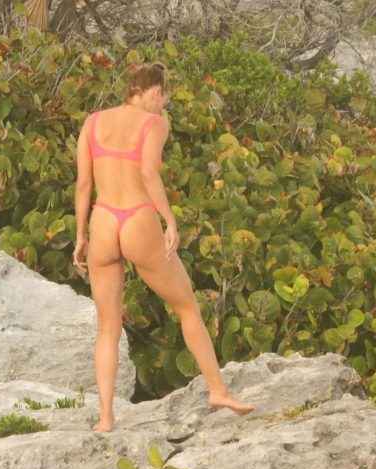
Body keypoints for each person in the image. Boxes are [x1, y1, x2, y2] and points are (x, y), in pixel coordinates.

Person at [72, 63, 254, 433]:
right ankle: (217, 391)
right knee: (186, 307)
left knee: (107, 327)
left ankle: (105, 418)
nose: (165, 103)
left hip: (102, 220)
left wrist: (80, 236)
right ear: (153, 92)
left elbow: (83, 184)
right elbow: (148, 173)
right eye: (163, 95)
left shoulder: (93, 122)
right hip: (137, 218)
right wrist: (169, 220)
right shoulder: (154, 124)